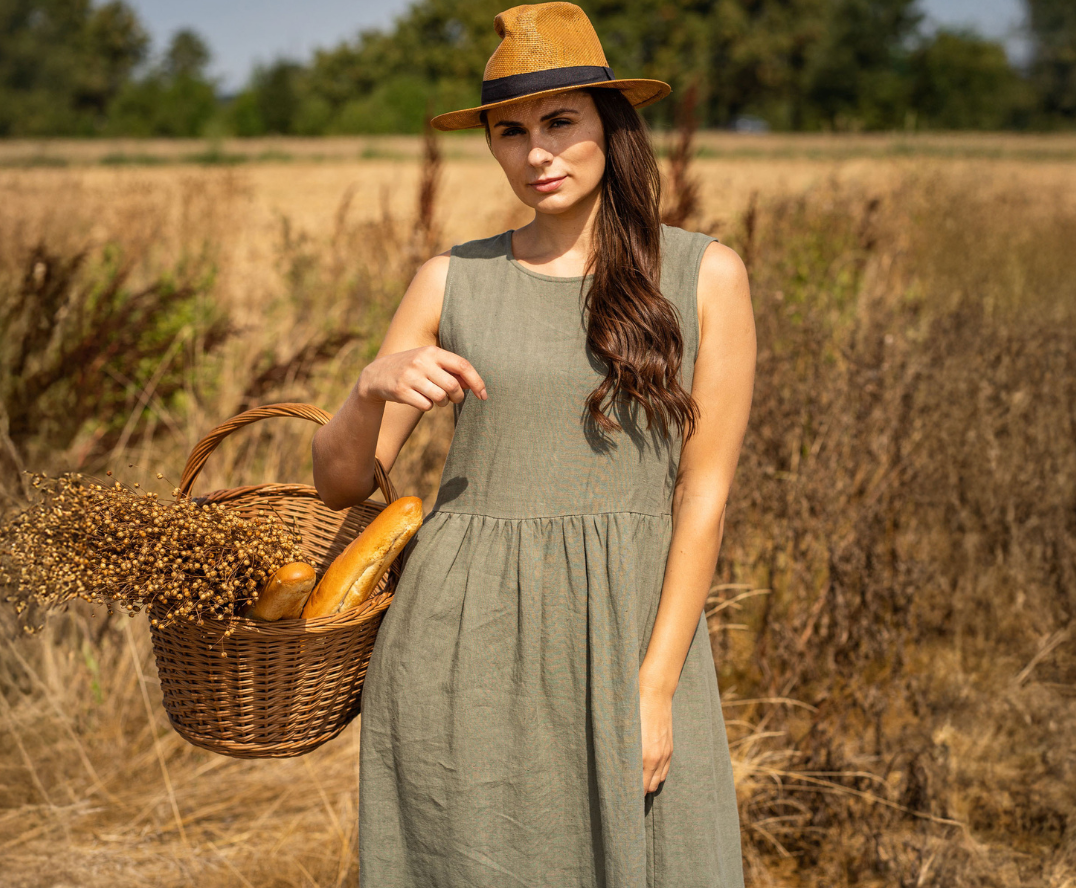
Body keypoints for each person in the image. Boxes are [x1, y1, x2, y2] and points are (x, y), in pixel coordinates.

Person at [310, 2, 756, 884]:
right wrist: (370, 387)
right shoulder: (452, 277)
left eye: (559, 121)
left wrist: (656, 683)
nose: (536, 152)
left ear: (610, 125)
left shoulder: (704, 274)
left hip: (626, 626)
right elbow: (339, 482)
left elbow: (700, 499)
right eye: (509, 131)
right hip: (460, 634)